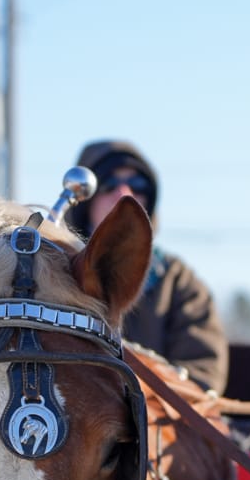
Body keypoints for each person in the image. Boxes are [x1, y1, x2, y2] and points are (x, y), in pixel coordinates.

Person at [69, 139, 229, 394]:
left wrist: (134, 404)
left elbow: (202, 375)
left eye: (137, 185)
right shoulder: (54, 274)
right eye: (109, 184)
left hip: (155, 428)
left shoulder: (177, 281)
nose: (124, 194)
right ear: (84, 203)